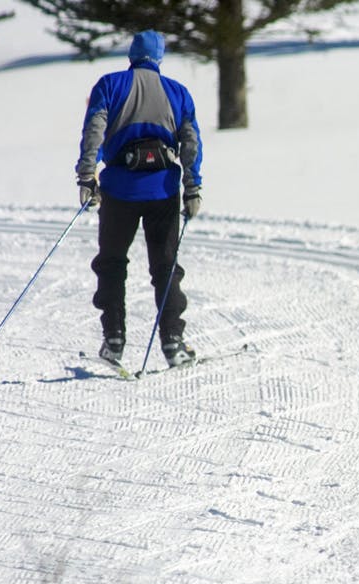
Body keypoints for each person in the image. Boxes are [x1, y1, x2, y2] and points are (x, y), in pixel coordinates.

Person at [75, 29, 203, 367]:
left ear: (132, 54)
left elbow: (94, 131)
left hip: (119, 190)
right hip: (163, 190)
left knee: (112, 262)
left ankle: (114, 339)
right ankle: (173, 342)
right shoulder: (178, 92)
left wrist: (87, 176)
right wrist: (193, 187)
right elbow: (190, 143)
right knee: (165, 267)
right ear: (159, 57)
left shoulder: (110, 85)